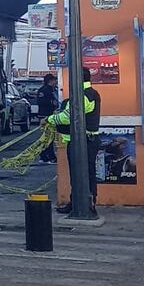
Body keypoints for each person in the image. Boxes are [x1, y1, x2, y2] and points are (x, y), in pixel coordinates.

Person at [47, 68, 101, 216]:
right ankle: (77, 202)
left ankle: (87, 205)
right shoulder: (90, 93)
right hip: (86, 140)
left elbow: (68, 116)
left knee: (84, 174)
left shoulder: (83, 95)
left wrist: (50, 120)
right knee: (80, 173)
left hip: (84, 142)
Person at [36, 74, 59, 163]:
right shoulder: (44, 90)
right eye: (54, 80)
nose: (55, 82)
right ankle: (49, 156)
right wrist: (52, 103)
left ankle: (45, 156)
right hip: (45, 116)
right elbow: (41, 102)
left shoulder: (53, 89)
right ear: (50, 81)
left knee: (48, 137)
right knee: (47, 136)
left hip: (50, 116)